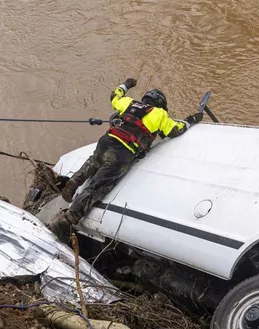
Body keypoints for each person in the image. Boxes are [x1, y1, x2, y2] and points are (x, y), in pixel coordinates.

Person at [50, 78, 202, 240]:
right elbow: (175, 130)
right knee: (97, 187)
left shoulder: (129, 103)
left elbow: (114, 96)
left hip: (106, 141)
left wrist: (127, 84)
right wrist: (191, 120)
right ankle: (65, 222)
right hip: (122, 153)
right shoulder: (160, 114)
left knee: (94, 161)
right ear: (160, 104)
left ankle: (74, 182)